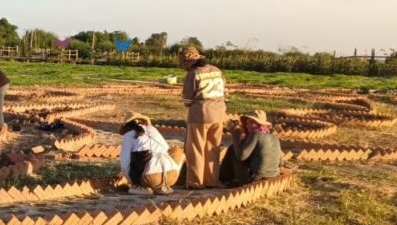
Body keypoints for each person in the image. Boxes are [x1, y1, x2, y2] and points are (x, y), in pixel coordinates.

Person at [180, 46, 227, 189]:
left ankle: (195, 183)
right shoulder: (216, 70)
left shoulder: (193, 74)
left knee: (196, 149)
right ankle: (211, 181)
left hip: (200, 116)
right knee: (213, 148)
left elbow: (187, 100)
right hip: (219, 114)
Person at [119, 112, 185, 196]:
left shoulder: (128, 135)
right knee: (176, 151)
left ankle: (140, 188)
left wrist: (133, 182)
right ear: (143, 121)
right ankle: (162, 186)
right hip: (171, 176)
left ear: (127, 126)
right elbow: (166, 150)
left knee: (138, 158)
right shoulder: (153, 129)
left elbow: (125, 164)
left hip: (149, 178)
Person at [220, 110, 283, 186]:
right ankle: (226, 178)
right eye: (247, 123)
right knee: (238, 149)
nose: (247, 126)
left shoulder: (255, 134)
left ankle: (223, 179)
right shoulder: (274, 137)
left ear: (257, 124)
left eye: (250, 123)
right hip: (273, 175)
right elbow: (280, 163)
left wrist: (235, 136)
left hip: (256, 177)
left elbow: (241, 156)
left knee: (233, 149)